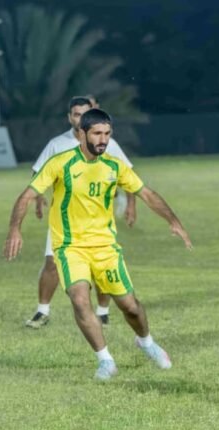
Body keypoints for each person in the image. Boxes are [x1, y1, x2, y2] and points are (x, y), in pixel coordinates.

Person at [5, 109, 193, 380]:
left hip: (105, 248)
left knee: (130, 306)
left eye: (107, 133)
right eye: (97, 133)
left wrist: (174, 221)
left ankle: (146, 342)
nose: (103, 139)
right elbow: (26, 196)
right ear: (82, 134)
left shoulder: (114, 166)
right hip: (70, 247)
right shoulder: (61, 163)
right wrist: (15, 229)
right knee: (80, 300)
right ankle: (105, 360)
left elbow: (147, 194)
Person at [26, 96, 136, 328]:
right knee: (51, 263)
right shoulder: (57, 144)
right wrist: (38, 199)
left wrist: (131, 206)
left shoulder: (107, 143)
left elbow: (129, 174)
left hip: (97, 222)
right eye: (76, 114)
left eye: (85, 113)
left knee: (101, 268)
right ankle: (42, 310)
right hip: (64, 223)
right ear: (70, 117)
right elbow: (37, 173)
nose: (80, 118)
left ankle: (103, 312)